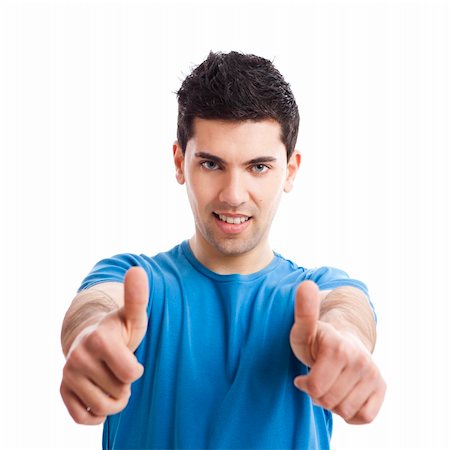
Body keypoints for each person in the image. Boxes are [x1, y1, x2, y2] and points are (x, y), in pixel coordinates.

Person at [60, 51, 386, 450]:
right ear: (180, 162)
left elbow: (348, 311)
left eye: (258, 167)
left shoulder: (318, 290)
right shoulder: (134, 282)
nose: (233, 196)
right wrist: (90, 339)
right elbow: (94, 308)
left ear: (291, 170)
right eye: (212, 164)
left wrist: (343, 344)